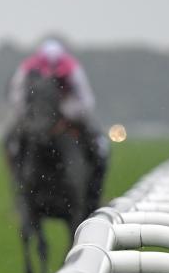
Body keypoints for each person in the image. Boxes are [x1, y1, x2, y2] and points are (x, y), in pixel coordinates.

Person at [6, 37, 108, 203]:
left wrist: (64, 114)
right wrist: (30, 115)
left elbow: (86, 101)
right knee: (11, 141)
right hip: (35, 118)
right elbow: (16, 95)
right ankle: (20, 189)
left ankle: (94, 194)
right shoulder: (28, 68)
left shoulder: (72, 67)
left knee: (99, 144)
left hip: (67, 119)